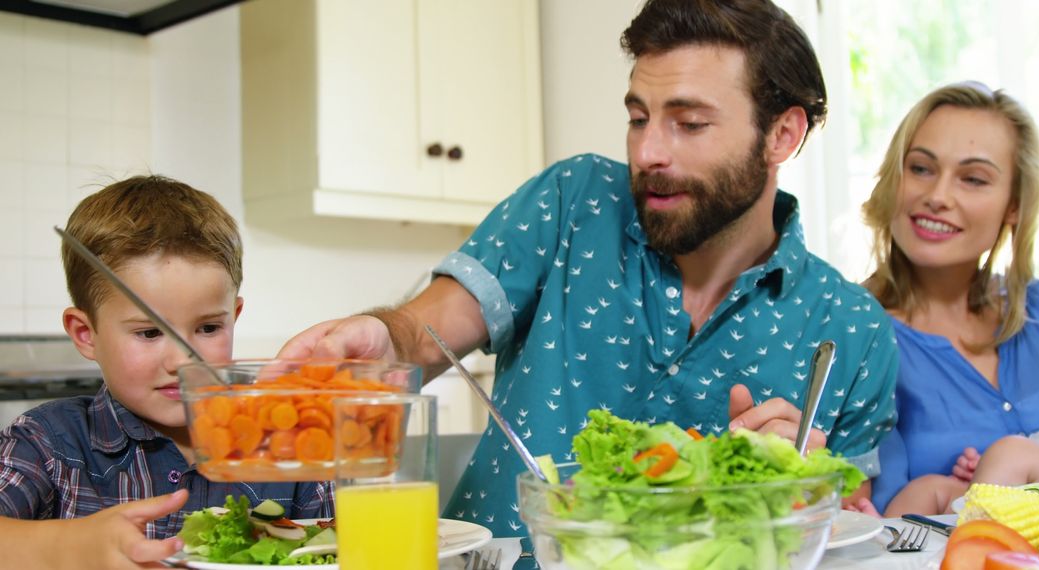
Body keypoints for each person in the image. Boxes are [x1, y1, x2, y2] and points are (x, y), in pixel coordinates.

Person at [279, 0, 898, 537]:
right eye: (638, 117)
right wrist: (383, 339)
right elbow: (423, 333)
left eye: (689, 123)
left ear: (782, 136)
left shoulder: (853, 331)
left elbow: (846, 526)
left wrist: (801, 490)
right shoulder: (572, 202)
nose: (649, 151)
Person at [0, 176, 333, 568]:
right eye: (149, 332)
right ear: (86, 334)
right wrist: (68, 547)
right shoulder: (47, 443)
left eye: (208, 328)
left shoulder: (288, 441)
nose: (182, 361)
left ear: (234, 317)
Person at [858, 81, 1039, 515]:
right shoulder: (858, 342)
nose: (937, 196)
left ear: (1014, 205)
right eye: (920, 168)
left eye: (974, 179)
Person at [873, 373, 1039, 516]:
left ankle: (975, 543)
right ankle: (891, 539)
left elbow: (1025, 455)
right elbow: (1032, 455)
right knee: (930, 487)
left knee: (1012, 450)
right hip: (1024, 492)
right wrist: (988, 466)